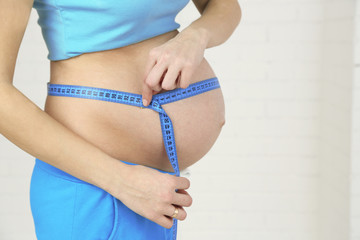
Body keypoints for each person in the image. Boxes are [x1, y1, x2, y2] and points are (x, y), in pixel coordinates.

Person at [0, 0, 241, 239]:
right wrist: (122, 181)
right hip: (94, 189)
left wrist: (196, 36)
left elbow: (225, 6)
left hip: (154, 193)